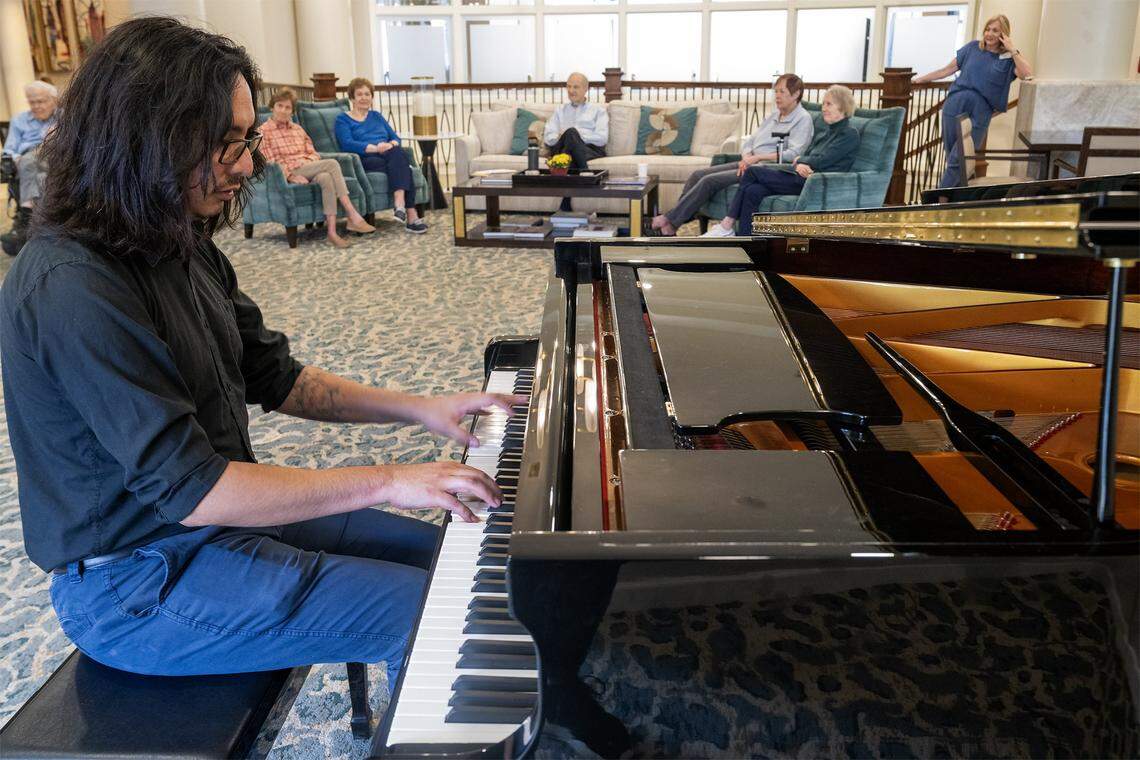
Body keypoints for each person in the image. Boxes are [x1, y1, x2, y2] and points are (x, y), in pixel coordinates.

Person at [1, 17, 522, 688]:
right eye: (225, 144)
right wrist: (390, 478)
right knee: (436, 616)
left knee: (459, 558)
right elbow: (194, 488)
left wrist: (425, 409)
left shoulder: (176, 238)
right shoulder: (70, 285)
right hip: (133, 583)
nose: (247, 164)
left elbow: (276, 377)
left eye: (244, 139)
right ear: (144, 138)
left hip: (209, 530)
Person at [651, 73, 813, 236]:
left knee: (709, 181)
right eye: (776, 91)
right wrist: (747, 155)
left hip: (765, 169)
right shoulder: (774, 115)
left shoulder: (802, 119)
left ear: (796, 94)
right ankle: (675, 220)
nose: (777, 96)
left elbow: (793, 153)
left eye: (782, 92)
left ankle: (671, 221)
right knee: (697, 174)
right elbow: (750, 140)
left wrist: (757, 158)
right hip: (749, 161)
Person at [703, 84, 859, 237]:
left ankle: (727, 224)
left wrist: (801, 160)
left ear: (843, 106)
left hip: (816, 183)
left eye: (829, 104)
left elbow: (823, 160)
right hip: (801, 177)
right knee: (752, 191)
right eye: (823, 104)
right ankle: (746, 243)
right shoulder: (825, 133)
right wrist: (800, 163)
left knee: (751, 171)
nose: (823, 108)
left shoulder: (848, 134)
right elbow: (809, 158)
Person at [914, 14, 1032, 188]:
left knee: (960, 159)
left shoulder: (1009, 58)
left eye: (995, 30)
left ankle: (938, 199)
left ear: (1004, 34)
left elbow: (1027, 74)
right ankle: (954, 201)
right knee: (951, 156)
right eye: (987, 29)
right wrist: (920, 80)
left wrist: (1012, 49)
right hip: (955, 103)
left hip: (981, 110)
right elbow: (947, 69)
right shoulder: (972, 48)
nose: (989, 34)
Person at [260, 87, 375, 248]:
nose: (283, 111)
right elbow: (270, 162)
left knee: (326, 177)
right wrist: (291, 176)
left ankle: (332, 232)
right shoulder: (264, 132)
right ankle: (353, 215)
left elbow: (313, 153)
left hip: (308, 167)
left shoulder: (298, 129)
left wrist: (307, 164)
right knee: (332, 164)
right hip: (289, 171)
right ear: (272, 107)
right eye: (280, 106)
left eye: (288, 108)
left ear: (292, 112)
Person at [335, 78, 426, 234]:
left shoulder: (376, 116)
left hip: (388, 154)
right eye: (359, 94)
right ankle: (409, 214)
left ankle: (401, 206)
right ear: (352, 97)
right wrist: (376, 148)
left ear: (371, 97)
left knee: (398, 154)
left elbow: (395, 138)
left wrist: (390, 145)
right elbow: (347, 144)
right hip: (364, 158)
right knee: (404, 166)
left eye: (367, 94)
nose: (364, 98)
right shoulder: (342, 119)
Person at [1, 81, 59, 255]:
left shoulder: (64, 118)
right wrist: (16, 157)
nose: (36, 106)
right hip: (27, 161)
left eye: (41, 101)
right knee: (31, 162)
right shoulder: (20, 120)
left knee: (38, 163)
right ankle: (44, 221)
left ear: (53, 100)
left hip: (55, 156)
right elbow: (10, 148)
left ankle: (26, 218)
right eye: (32, 102)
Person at [543, 72, 608, 211]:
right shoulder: (560, 111)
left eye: (576, 87)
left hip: (589, 149)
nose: (571, 91)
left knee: (572, 134)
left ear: (586, 89)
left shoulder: (598, 111)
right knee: (570, 135)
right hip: (561, 149)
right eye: (568, 87)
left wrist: (578, 136)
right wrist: (564, 136)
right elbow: (549, 137)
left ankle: (566, 201)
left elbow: (602, 138)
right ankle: (586, 176)